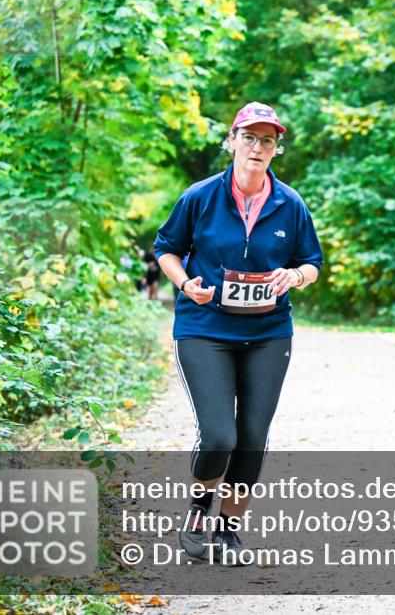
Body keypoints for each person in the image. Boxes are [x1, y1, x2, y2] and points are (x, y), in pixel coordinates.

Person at [153, 102, 323, 564]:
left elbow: (312, 262)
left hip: (268, 332)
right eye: (249, 137)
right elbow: (166, 250)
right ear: (231, 141)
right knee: (219, 435)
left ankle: (228, 532)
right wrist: (186, 284)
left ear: (275, 149)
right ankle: (197, 510)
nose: (257, 147)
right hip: (204, 327)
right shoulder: (200, 197)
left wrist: (296, 277)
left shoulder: (291, 203)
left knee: (251, 436)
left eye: (267, 140)